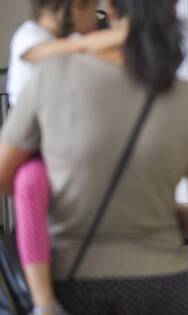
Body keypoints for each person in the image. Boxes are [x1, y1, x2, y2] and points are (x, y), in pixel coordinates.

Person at [0, 0, 188, 314]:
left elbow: (3, 176)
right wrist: (154, 208)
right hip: (164, 289)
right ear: (173, 8)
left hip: (74, 286)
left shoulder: (51, 77)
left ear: (110, 9)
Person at [7, 1, 127, 314]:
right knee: (29, 185)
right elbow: (43, 54)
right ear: (71, 7)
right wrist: (89, 43)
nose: (92, 23)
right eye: (90, 12)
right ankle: (44, 300)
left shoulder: (70, 44)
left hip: (70, 143)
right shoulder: (30, 37)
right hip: (36, 147)